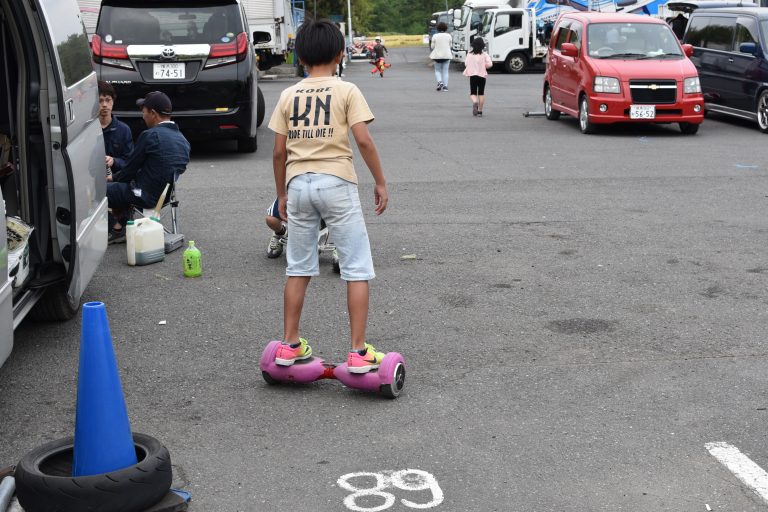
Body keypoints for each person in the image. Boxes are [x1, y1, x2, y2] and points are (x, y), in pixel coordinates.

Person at [268, 19, 389, 373]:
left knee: (299, 267)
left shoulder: (288, 95)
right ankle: (357, 351)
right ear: (340, 54)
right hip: (336, 181)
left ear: (300, 56)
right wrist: (380, 181)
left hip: (298, 184)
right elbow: (363, 140)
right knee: (356, 267)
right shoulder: (347, 90)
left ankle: (290, 344)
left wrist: (281, 193)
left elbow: (278, 152)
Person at [106, 91, 190, 243]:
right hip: (165, 197)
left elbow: (129, 170)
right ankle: (124, 223)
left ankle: (116, 227)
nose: (142, 115)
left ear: (153, 113)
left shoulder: (150, 135)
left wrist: (112, 178)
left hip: (142, 194)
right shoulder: (183, 141)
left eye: (143, 111)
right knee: (123, 186)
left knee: (95, 191)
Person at [98, 81, 133, 177]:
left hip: (114, 180)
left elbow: (129, 162)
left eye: (108, 100)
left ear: (113, 101)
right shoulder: (87, 129)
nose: (104, 105)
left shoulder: (124, 130)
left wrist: (114, 161)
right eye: (100, 101)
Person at [463, 38, 493, 117]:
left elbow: (466, 64)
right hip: (482, 76)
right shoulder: (484, 54)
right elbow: (490, 64)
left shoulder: (469, 54)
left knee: (473, 93)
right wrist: (484, 66)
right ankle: (480, 111)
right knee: (481, 93)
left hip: (473, 76)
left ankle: (475, 102)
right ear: (482, 46)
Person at [430, 22, 452, 91]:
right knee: (445, 71)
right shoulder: (449, 36)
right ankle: (445, 87)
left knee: (437, 70)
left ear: (438, 28)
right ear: (446, 28)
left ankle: (440, 82)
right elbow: (450, 46)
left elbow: (432, 46)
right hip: (447, 55)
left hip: (437, 56)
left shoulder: (435, 36)